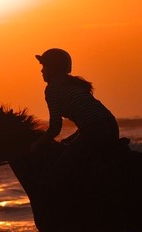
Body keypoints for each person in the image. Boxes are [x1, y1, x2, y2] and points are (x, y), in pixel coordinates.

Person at [32, 48, 120, 190]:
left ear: (53, 68)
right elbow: (88, 123)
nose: (41, 71)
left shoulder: (52, 89)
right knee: (68, 147)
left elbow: (55, 127)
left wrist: (37, 144)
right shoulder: (73, 84)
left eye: (44, 67)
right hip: (110, 125)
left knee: (57, 172)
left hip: (94, 131)